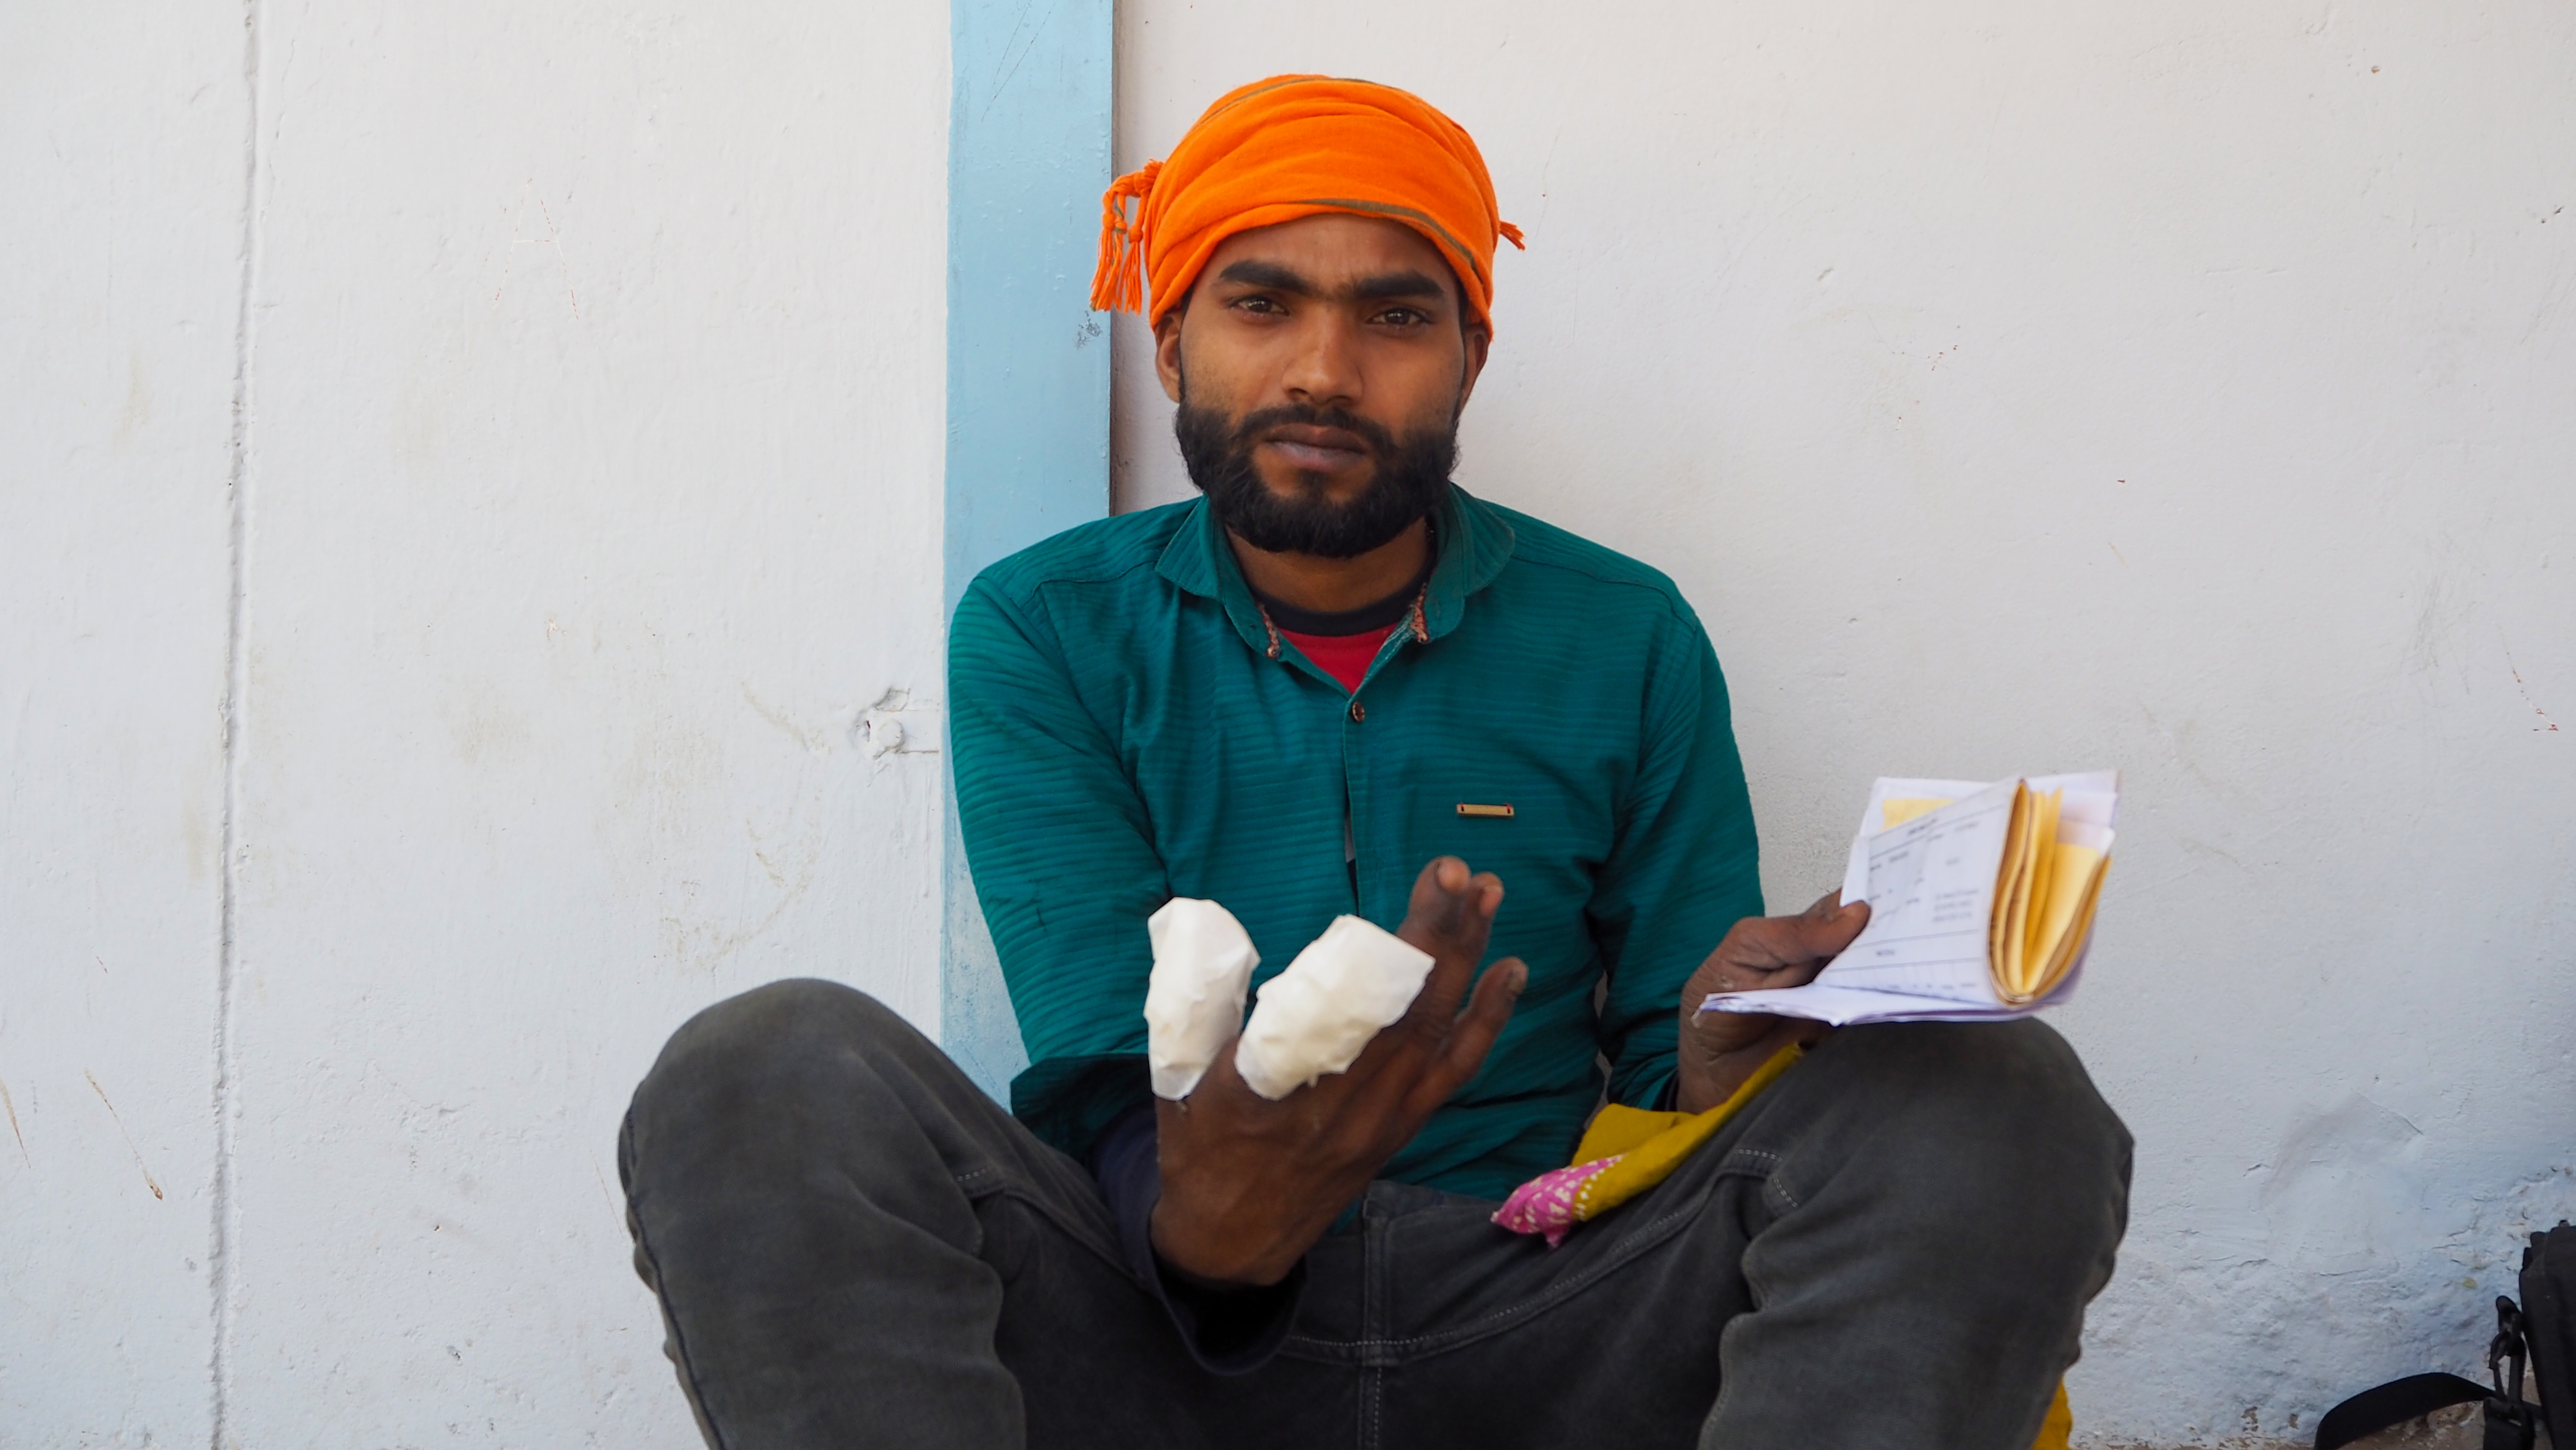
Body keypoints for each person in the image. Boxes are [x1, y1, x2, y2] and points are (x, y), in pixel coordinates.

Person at [619, 74, 2132, 1449]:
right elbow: (1104, 1079)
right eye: (1262, 304)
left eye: (1397, 317)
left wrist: (1721, 1055)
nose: (1325, 371)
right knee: (763, 1073)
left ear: (1472, 349)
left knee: (1991, 1092)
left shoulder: (1626, 634)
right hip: (1164, 1342)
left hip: (1556, 1316)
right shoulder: (1046, 630)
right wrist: (1216, 1225)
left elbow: (1670, 1092)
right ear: (1172, 337)